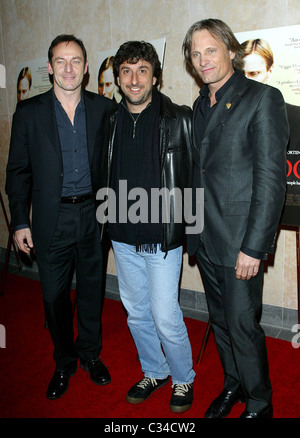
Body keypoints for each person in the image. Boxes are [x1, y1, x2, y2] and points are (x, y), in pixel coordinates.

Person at [182, 19, 289, 418]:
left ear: (230, 50)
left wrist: (254, 246)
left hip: (241, 241)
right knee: (221, 322)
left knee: (243, 327)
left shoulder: (262, 98)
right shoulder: (199, 104)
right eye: (195, 53)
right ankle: (234, 385)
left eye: (210, 49)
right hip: (205, 237)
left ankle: (260, 403)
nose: (202, 59)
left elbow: (270, 180)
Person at [6, 34, 115, 400]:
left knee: (91, 290)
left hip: (94, 215)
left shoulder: (105, 109)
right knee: (53, 295)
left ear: (86, 68)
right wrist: (20, 221)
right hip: (51, 219)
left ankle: (90, 354)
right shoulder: (30, 111)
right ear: (50, 67)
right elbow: (17, 171)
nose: (69, 68)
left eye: (77, 61)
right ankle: (64, 360)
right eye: (61, 61)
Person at [97, 40, 195, 413]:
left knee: (165, 315)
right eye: (126, 71)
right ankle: (154, 370)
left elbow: (193, 179)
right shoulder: (109, 120)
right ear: (117, 78)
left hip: (162, 239)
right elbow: (101, 175)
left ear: (155, 75)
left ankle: (183, 378)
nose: (134, 79)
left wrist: (193, 234)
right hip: (122, 236)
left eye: (142, 70)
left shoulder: (178, 117)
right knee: (136, 312)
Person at [241, 37, 300, 226]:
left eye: (254, 73)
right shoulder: (220, 115)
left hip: (267, 218)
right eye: (241, 74)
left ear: (270, 72)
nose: (246, 81)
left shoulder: (292, 116)